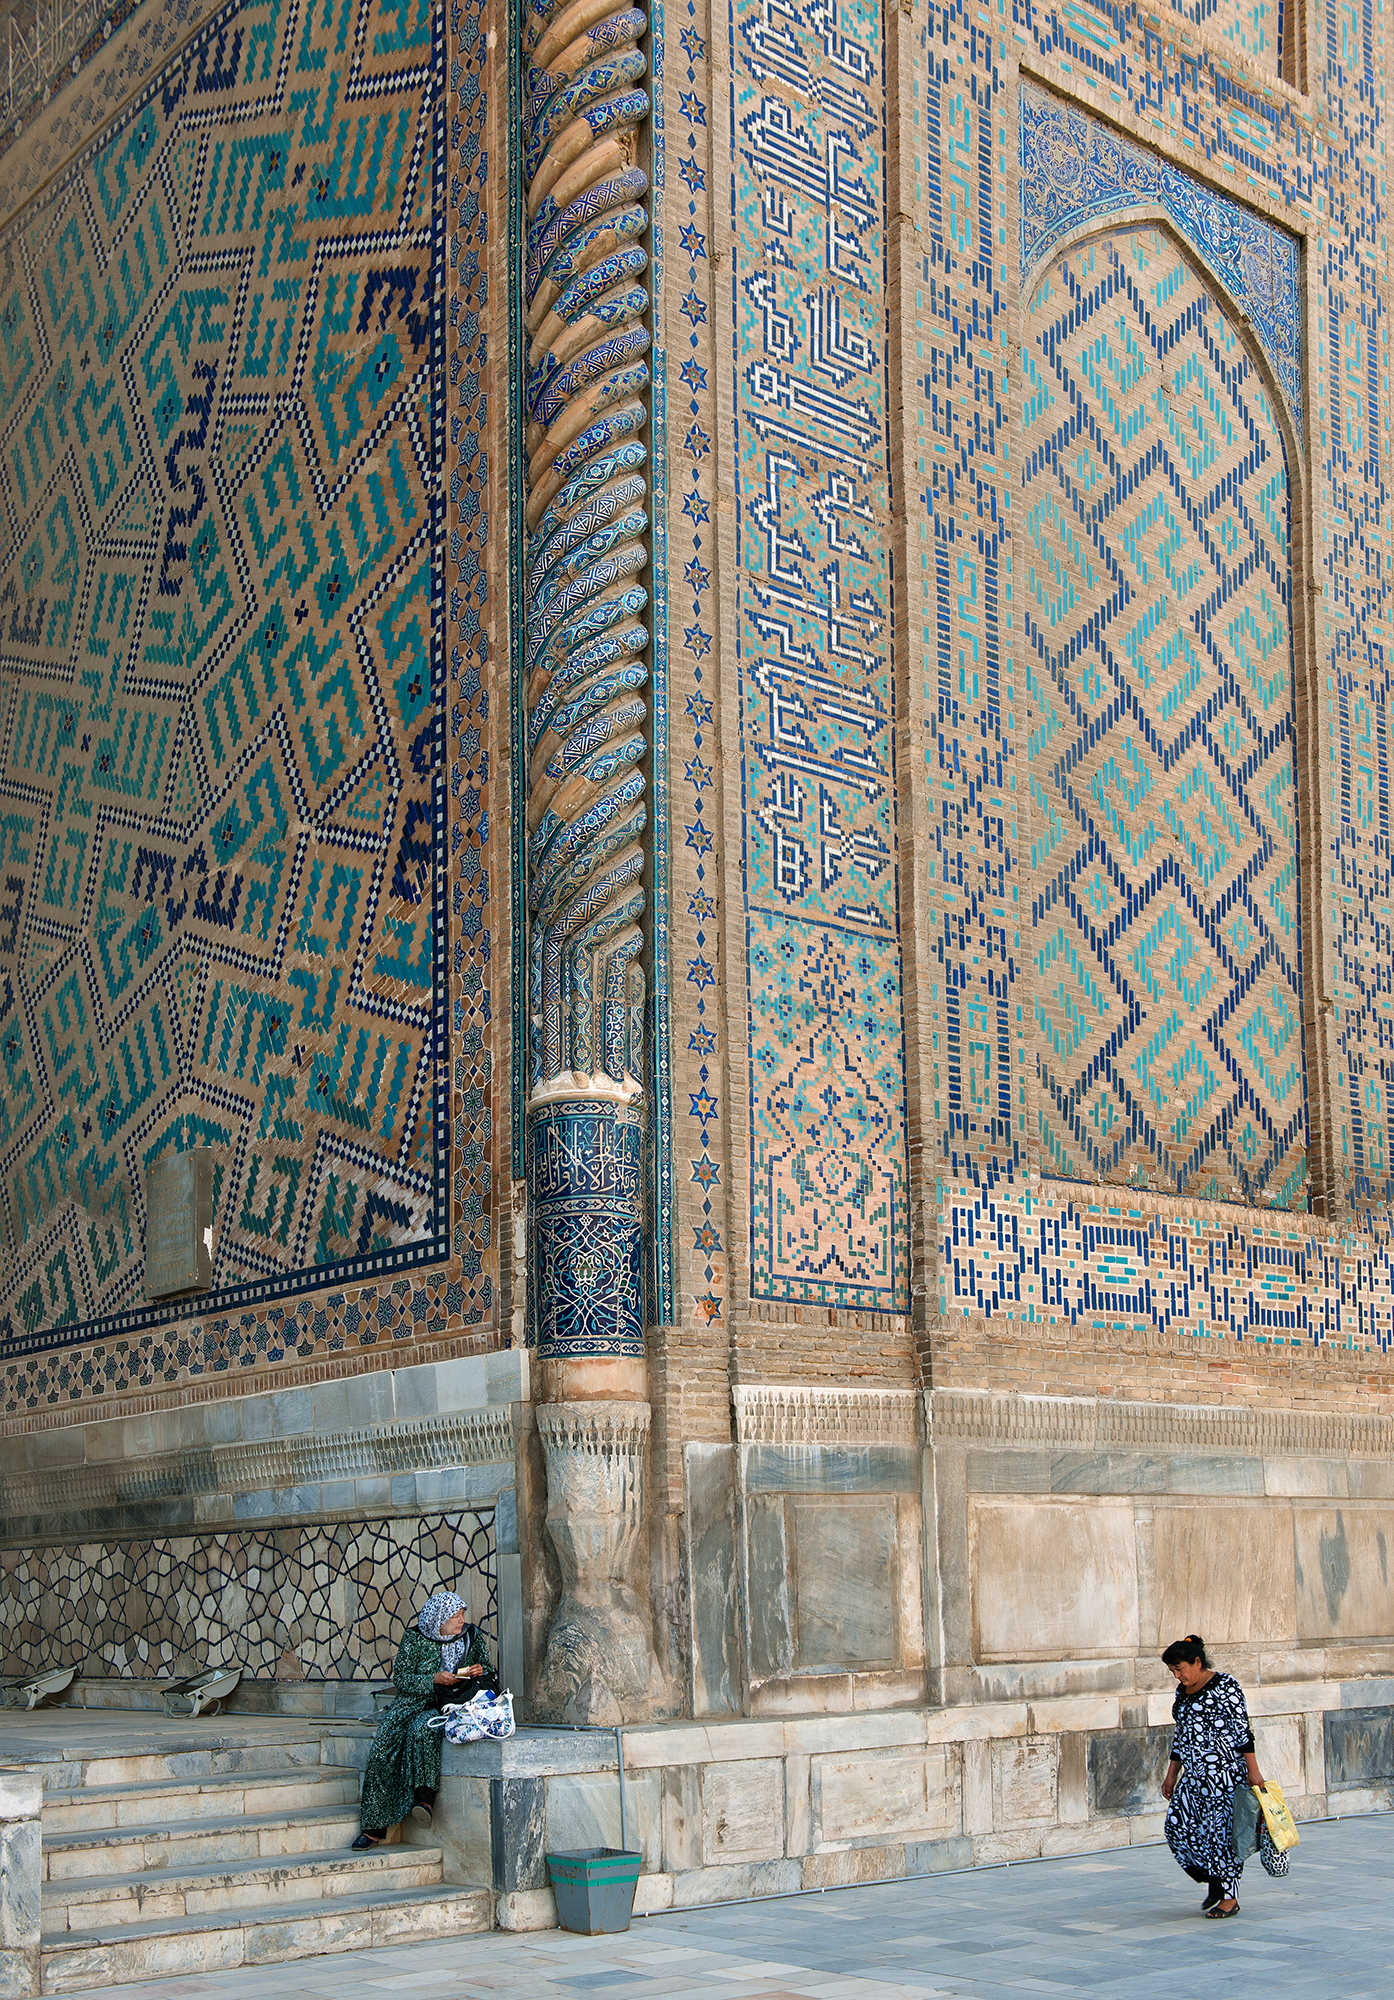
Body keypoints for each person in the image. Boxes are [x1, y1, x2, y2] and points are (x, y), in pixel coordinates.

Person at [352, 1589, 493, 1847]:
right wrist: (433, 1679)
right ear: (439, 1619)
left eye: (462, 1615)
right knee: (385, 1746)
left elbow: (489, 1669)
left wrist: (480, 1669)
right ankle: (373, 1826)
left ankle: (424, 1800)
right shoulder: (415, 1638)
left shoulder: (471, 1636)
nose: (461, 1620)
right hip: (413, 1701)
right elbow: (402, 1679)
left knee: (423, 1729)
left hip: (451, 1703)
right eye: (455, 1616)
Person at [1159, 1632, 1266, 1919]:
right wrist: (1171, 1776)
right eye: (1173, 1671)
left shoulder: (1225, 1686)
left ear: (1197, 1662)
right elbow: (1181, 1737)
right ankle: (1214, 1879)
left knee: (1221, 1837)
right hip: (1194, 1778)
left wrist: (1254, 1772)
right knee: (1178, 1827)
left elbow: (1242, 1731)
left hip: (1224, 1778)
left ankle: (1229, 1897)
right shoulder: (1183, 1692)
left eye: (1179, 1669)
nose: (1177, 1676)